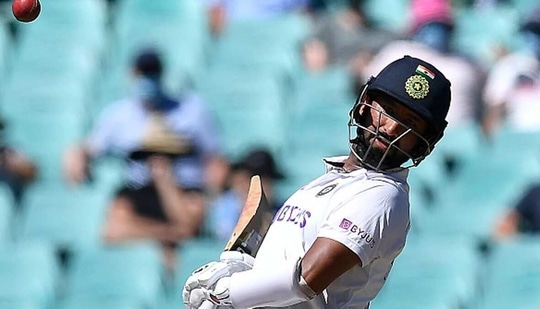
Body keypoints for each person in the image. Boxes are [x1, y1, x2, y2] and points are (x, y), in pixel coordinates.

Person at [182, 55, 451, 309]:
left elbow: (306, 278)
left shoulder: (383, 195)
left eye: (409, 122)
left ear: (423, 141)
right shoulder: (330, 182)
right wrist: (244, 268)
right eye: (388, 110)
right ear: (365, 103)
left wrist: (225, 291)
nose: (391, 128)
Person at [62, 47, 227, 269]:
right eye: (143, 73)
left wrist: (213, 192)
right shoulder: (117, 116)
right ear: (132, 75)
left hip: (182, 188)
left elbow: (214, 158)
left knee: (190, 213)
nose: (147, 80)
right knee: (114, 224)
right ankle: (169, 235)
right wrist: (76, 156)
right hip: (139, 190)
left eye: (152, 73)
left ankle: (176, 238)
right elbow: (90, 150)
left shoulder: (192, 110)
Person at [364, 0, 485, 129]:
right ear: (417, 26)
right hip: (409, 132)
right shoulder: (397, 52)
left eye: (441, 24)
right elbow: (369, 88)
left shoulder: (469, 62)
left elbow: (488, 101)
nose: (437, 30)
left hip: (463, 137)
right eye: (430, 23)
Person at [482, 4, 540, 139]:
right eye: (530, 32)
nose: (534, 38)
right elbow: (493, 113)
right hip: (519, 143)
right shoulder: (510, 66)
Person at [207, 148, 285, 241]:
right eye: (254, 179)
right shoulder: (223, 208)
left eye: (267, 180)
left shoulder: (282, 211)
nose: (263, 186)